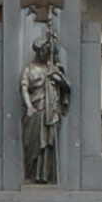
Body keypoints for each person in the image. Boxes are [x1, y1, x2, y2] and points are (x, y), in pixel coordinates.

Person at [20, 35, 71, 184]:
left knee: (49, 143)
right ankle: (32, 173)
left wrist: (57, 78)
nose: (45, 54)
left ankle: (46, 175)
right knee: (34, 143)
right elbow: (24, 88)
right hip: (37, 108)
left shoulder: (53, 68)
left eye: (47, 52)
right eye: (43, 51)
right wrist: (29, 106)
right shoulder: (29, 69)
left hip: (51, 110)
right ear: (38, 52)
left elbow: (67, 87)